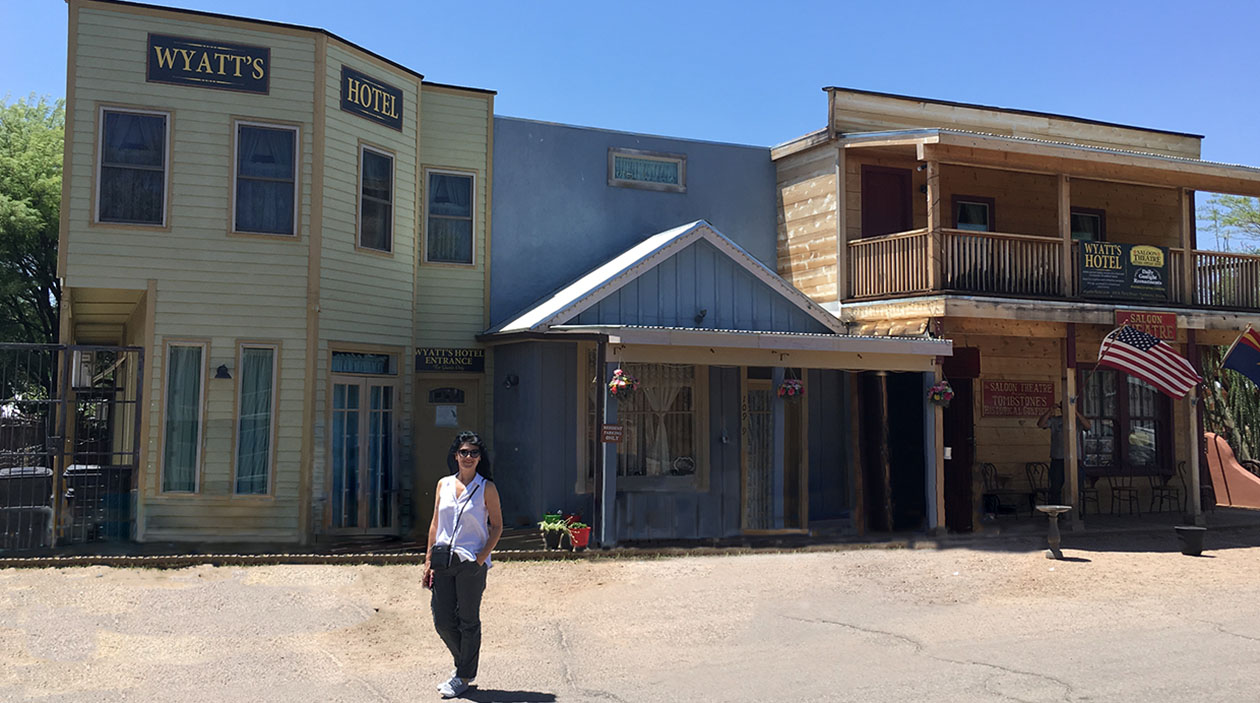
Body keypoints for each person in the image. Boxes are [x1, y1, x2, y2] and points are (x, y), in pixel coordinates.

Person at [424, 430, 503, 699]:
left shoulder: (486, 488)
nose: (468, 457)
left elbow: (497, 526)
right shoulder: (443, 484)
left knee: (468, 620)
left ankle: (464, 676)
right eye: (464, 452)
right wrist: (427, 561)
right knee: (443, 620)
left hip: (471, 563)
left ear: (480, 458)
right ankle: (464, 665)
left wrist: (481, 558)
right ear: (455, 455)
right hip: (443, 560)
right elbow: (435, 524)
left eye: (474, 453)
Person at [1037, 398, 1093, 505]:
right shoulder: (1055, 420)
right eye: (1064, 407)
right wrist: (1050, 411)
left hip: (1074, 460)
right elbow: (1041, 424)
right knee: (1055, 488)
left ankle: (1075, 511)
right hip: (1058, 459)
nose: (1066, 409)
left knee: (1076, 488)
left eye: (1068, 407)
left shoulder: (1076, 421)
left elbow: (1088, 426)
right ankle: (1056, 514)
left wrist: (1075, 412)